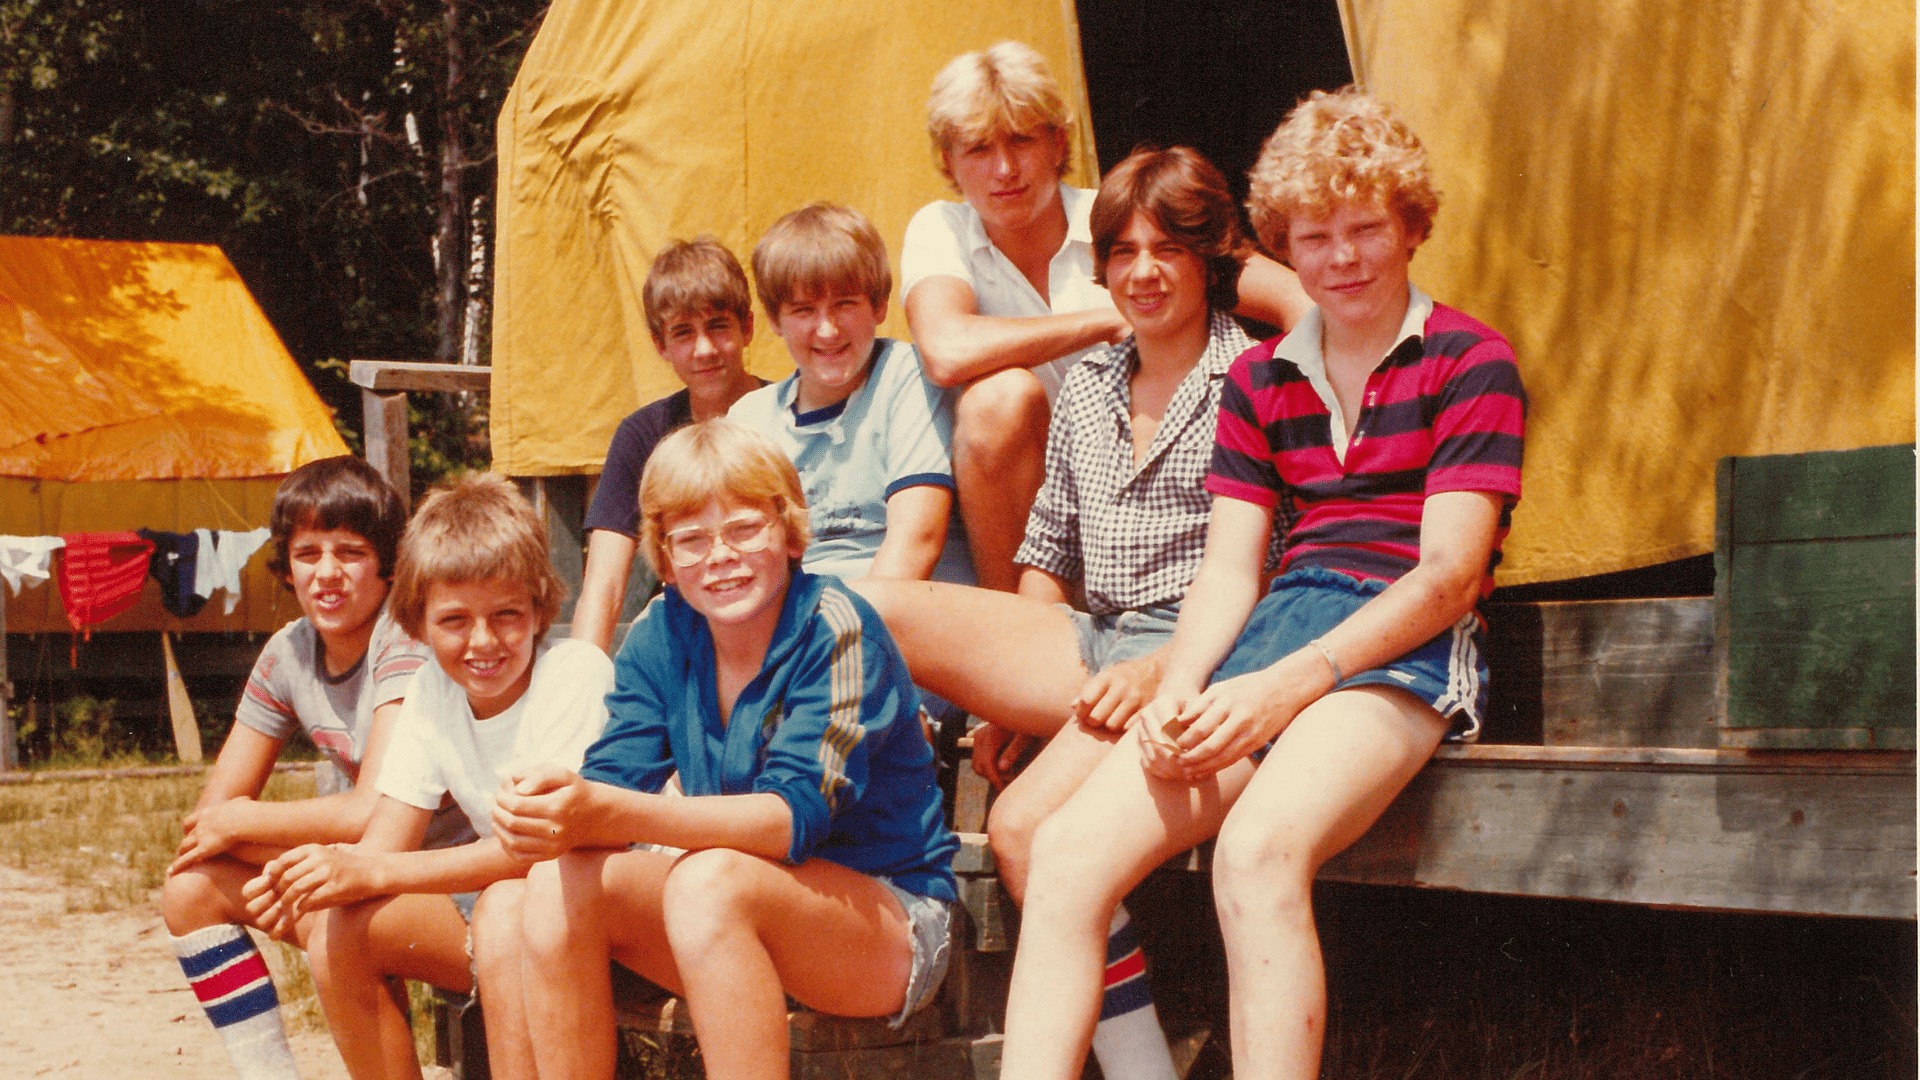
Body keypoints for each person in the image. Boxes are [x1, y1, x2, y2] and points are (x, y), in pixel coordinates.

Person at [994, 88, 1528, 1080]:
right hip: (1271, 636)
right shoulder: (1263, 380)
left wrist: (1281, 687)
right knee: (1066, 853)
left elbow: (1450, 578)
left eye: (1367, 228)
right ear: (1284, 244)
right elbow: (1232, 570)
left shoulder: (1468, 360)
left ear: (1412, 228)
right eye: (1315, 237)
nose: (1342, 258)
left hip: (1397, 648)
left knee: (1255, 853)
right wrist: (1185, 684)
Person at [853, 143, 1277, 1080]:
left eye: (1167, 249)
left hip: (1199, 648)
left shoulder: (1254, 378)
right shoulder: (1090, 377)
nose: (1143, 273)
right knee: (864, 606)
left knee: (1022, 830)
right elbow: (1046, 550)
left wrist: (1168, 670)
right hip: (1095, 634)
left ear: (1210, 258)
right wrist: (1007, 697)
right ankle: (856, 842)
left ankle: (1138, 1070)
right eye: (1121, 253)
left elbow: (1265, 573)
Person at [472, 418, 959, 1080]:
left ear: (789, 531)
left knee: (708, 882)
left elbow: (794, 819)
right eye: (692, 539)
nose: (720, 556)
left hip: (884, 923)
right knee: (524, 898)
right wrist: (557, 808)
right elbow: (611, 787)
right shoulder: (662, 634)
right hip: (732, 916)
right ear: (665, 559)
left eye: (743, 528)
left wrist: (606, 811)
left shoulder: (837, 628)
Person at [901, 41, 1313, 591]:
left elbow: (1296, 298)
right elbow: (946, 350)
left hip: (1143, 501)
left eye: (1022, 139)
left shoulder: (1124, 220)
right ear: (948, 162)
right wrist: (1110, 321)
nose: (1004, 169)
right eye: (977, 149)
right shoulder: (942, 228)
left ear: (1058, 141)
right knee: (999, 400)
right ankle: (1011, 626)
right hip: (1016, 510)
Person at [241, 473, 614, 1080]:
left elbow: (540, 850)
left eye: (507, 615)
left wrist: (371, 869)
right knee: (337, 928)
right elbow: (385, 840)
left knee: (505, 906)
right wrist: (315, 871)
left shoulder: (573, 673)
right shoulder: (431, 689)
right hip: (503, 900)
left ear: (542, 608)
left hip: (590, 909)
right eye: (455, 621)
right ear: (415, 623)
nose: (483, 641)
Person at [161, 455, 470, 1080]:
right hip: (373, 875)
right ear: (286, 566)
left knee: (334, 921)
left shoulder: (405, 638)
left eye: (350, 552)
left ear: (387, 563)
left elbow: (369, 810)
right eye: (308, 554)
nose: (327, 575)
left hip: (459, 885)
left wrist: (249, 824)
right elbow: (211, 818)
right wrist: (242, 832)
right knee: (191, 886)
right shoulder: (289, 652)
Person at [729, 202, 972, 585]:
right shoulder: (749, 418)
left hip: (899, 607)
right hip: (799, 614)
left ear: (878, 305)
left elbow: (917, 542)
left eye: (844, 304)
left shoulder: (907, 374)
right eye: (804, 310)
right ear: (775, 320)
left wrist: (846, 633)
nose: (827, 330)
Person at [574, 237, 768, 652]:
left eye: (718, 326)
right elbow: (605, 585)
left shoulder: (784, 416)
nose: (705, 349)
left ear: (747, 327)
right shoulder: (642, 435)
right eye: (683, 333)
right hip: (684, 628)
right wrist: (578, 682)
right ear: (660, 345)